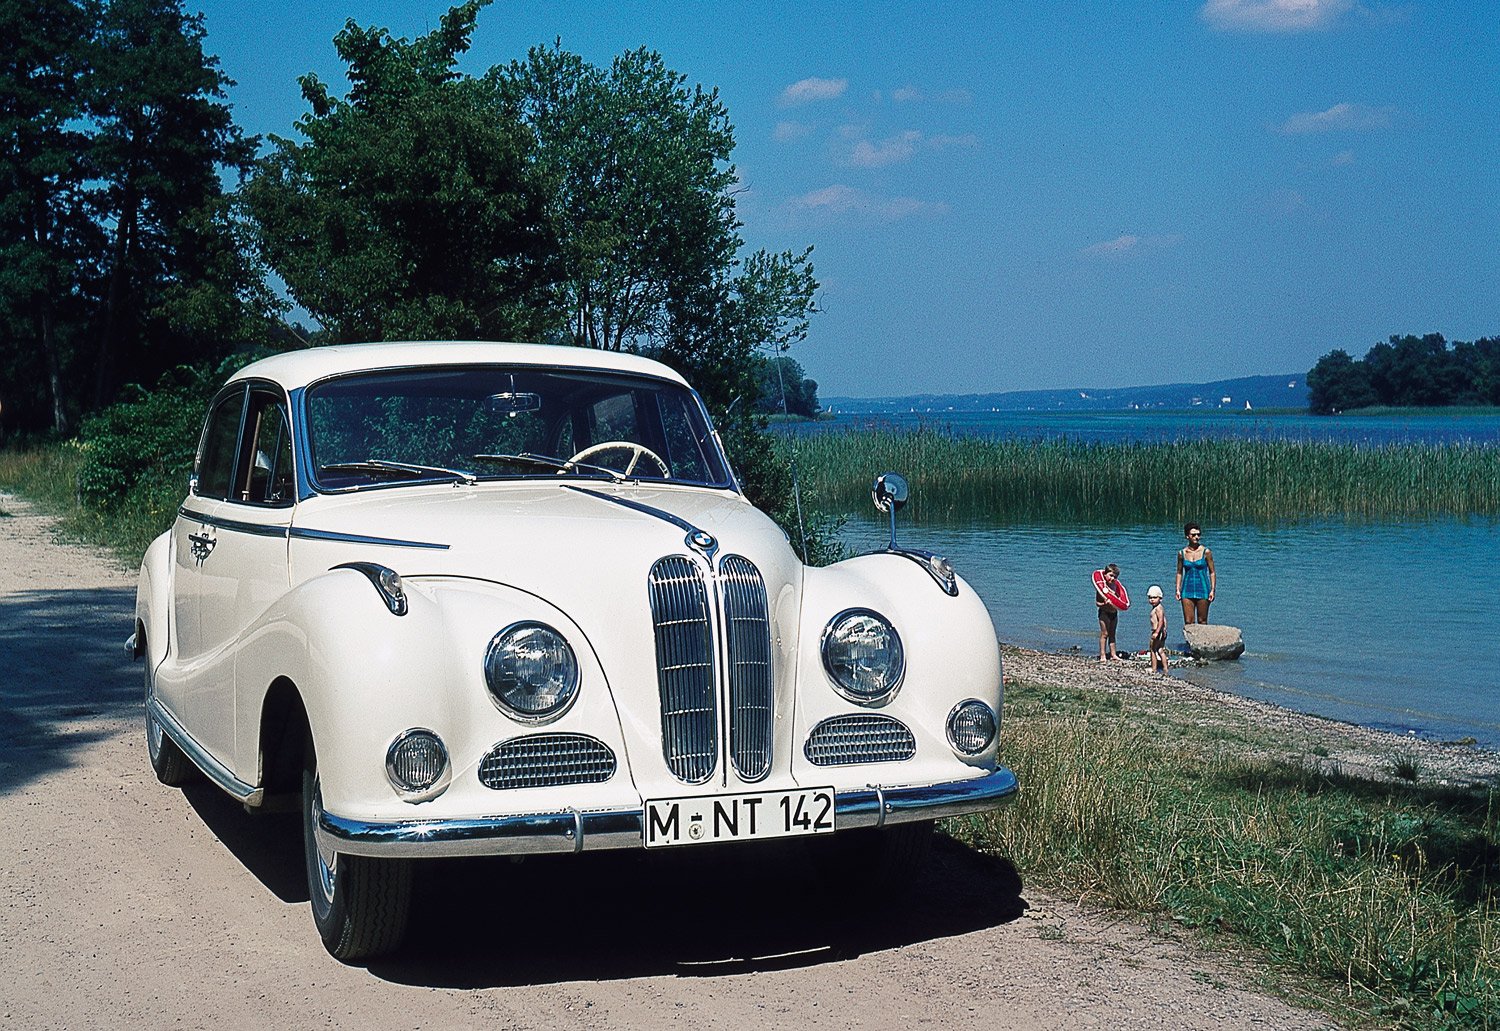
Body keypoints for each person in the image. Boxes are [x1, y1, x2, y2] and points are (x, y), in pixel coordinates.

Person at [1175, 522, 1215, 624]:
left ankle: (1204, 640)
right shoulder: (1182, 553)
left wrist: (1212, 590)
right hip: (1187, 590)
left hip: (1203, 589)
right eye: (1193, 535)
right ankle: (1189, 640)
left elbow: (1212, 572)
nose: (1196, 537)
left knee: (1202, 620)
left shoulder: (1206, 552)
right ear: (1187, 536)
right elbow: (1179, 572)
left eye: (1198, 534)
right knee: (1189, 622)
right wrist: (1178, 589)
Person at [1095, 563, 1124, 662]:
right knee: (1104, 634)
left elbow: (1120, 600)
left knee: (1112, 634)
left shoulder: (1116, 587)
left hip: (1114, 613)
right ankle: (1102, 655)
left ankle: (1113, 654)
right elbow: (1097, 603)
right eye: (1110, 575)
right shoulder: (1102, 587)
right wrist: (1104, 603)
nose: (1112, 578)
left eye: (1115, 577)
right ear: (1105, 574)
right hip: (1104, 613)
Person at [1146, 585, 1169, 673]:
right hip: (1160, 631)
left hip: (1156, 631)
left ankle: (1154, 668)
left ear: (1160, 598)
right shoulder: (1157, 608)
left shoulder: (1158, 608)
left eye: (1155, 598)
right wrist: (1164, 630)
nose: (1152, 600)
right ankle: (1165, 667)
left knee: (1153, 649)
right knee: (1160, 649)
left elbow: (1161, 620)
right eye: (1150, 598)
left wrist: (1157, 632)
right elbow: (1164, 620)